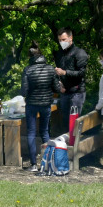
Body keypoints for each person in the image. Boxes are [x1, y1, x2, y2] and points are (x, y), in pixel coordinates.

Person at [21, 43, 62, 172]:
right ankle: (47, 163)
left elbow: (24, 92)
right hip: (46, 104)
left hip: (32, 105)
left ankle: (33, 164)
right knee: (45, 132)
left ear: (30, 56)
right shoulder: (50, 69)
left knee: (31, 133)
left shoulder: (27, 70)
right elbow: (57, 88)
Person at [53, 27, 88, 132]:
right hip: (64, 92)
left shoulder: (80, 53)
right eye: (59, 40)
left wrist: (65, 72)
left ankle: (74, 145)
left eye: (63, 40)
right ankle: (66, 144)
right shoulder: (59, 54)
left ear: (70, 38)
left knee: (74, 121)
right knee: (65, 121)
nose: (61, 42)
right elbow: (57, 73)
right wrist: (59, 83)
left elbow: (81, 73)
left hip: (77, 92)